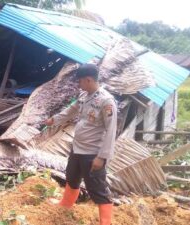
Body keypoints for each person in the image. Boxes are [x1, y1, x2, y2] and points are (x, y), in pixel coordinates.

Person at [44, 64, 117, 225]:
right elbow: (69, 111)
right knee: (72, 178)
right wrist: (53, 120)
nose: (79, 84)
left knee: (97, 188)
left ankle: (105, 222)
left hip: (93, 153)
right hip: (77, 149)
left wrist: (102, 157)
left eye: (80, 81)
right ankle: (66, 204)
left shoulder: (106, 101)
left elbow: (111, 131)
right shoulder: (85, 96)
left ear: (88, 80)